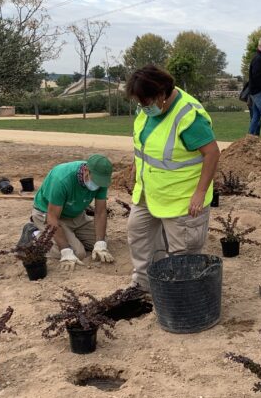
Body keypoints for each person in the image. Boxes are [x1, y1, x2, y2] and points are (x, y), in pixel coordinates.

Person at [125, 65, 221, 289]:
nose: (142, 107)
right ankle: (143, 284)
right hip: (149, 192)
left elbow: (212, 153)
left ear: (161, 95)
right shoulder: (148, 110)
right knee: (138, 234)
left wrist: (200, 192)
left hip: (182, 199)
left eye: (145, 102)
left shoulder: (188, 117)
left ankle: (182, 293)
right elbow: (146, 147)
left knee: (183, 252)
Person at [19, 154, 115, 271]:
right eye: (96, 181)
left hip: (75, 214)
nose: (98, 185)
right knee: (78, 253)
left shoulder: (101, 180)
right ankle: (34, 235)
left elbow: (100, 212)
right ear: (86, 170)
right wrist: (65, 250)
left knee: (102, 242)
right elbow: (52, 216)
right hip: (48, 214)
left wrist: (100, 242)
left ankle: (70, 235)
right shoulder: (61, 179)